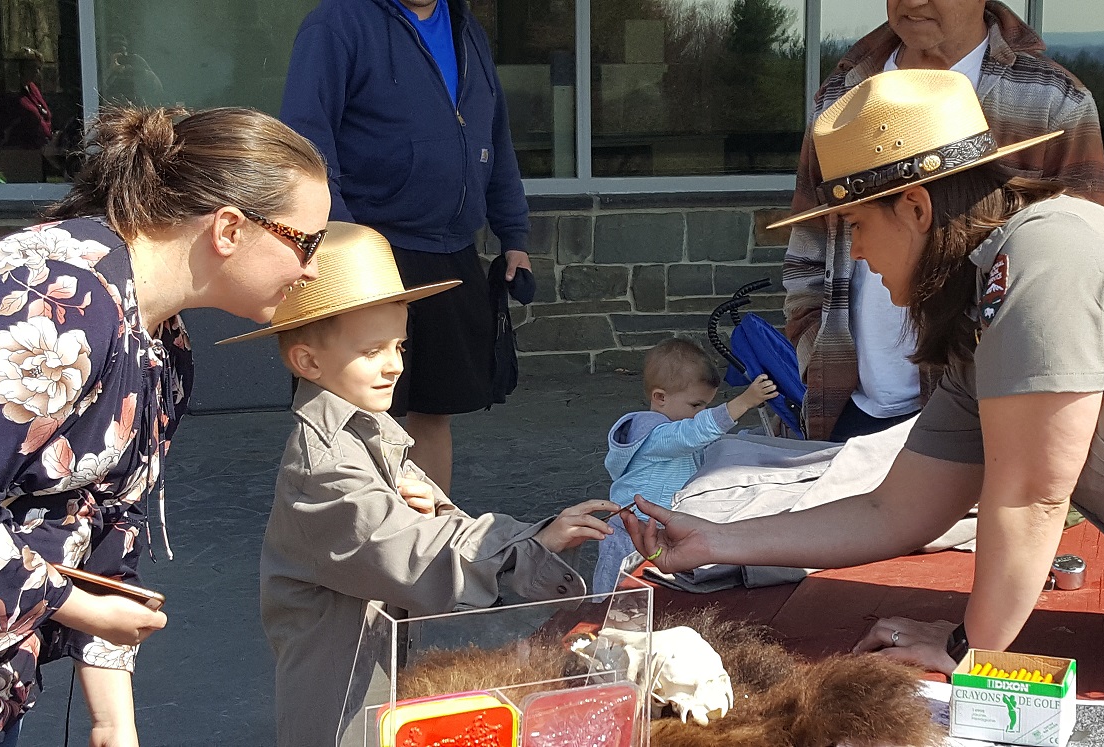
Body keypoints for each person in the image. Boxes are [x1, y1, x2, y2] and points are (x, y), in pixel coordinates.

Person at [624, 69, 1104, 679]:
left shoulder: (1044, 253)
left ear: (916, 208)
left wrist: (967, 646)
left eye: (857, 224)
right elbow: (894, 509)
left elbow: (1032, 492)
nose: (855, 252)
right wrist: (717, 539)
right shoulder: (988, 319)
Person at [0, 106, 329, 745]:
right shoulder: (59, 302)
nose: (310, 270)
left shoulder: (163, 342)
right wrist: (71, 604)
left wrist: (115, 726)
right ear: (228, 227)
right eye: (306, 242)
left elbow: (109, 519)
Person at [219, 223, 616, 747]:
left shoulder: (373, 430)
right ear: (308, 362)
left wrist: (442, 512)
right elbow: (402, 552)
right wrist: (526, 545)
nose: (394, 365)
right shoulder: (323, 465)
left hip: (380, 661)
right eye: (372, 351)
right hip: (338, 685)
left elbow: (431, 522)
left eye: (399, 346)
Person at [784, 0, 1104, 442]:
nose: (912, 2)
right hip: (847, 408)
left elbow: (1085, 275)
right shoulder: (842, 94)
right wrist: (815, 353)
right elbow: (808, 245)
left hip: (985, 416)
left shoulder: (1051, 102)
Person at [280, 0, 532, 496]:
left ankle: (430, 536)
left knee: (435, 408)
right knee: (356, 409)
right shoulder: (338, 23)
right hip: (367, 251)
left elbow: (493, 138)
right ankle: (354, 528)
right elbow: (305, 140)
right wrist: (342, 240)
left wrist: (514, 235)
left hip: (452, 249)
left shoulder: (466, 29)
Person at [593, 339, 778, 593]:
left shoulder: (679, 432)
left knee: (660, 592)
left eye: (706, 405)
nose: (701, 412)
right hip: (632, 533)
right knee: (616, 593)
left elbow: (717, 443)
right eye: (696, 405)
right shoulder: (652, 433)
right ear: (660, 398)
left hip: (664, 531)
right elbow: (694, 432)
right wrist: (744, 402)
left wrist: (767, 432)